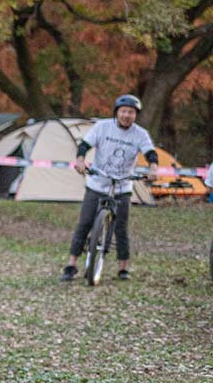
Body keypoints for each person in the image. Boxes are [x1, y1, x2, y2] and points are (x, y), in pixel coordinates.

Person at [61, 94, 158, 282]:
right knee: (85, 223)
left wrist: (153, 168)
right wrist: (80, 160)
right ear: (116, 112)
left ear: (135, 115)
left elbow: (150, 152)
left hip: (123, 185)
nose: (126, 115)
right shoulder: (102, 127)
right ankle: (71, 264)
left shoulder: (140, 133)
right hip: (98, 183)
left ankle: (123, 268)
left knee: (120, 228)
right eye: (123, 111)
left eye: (131, 112)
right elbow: (85, 145)